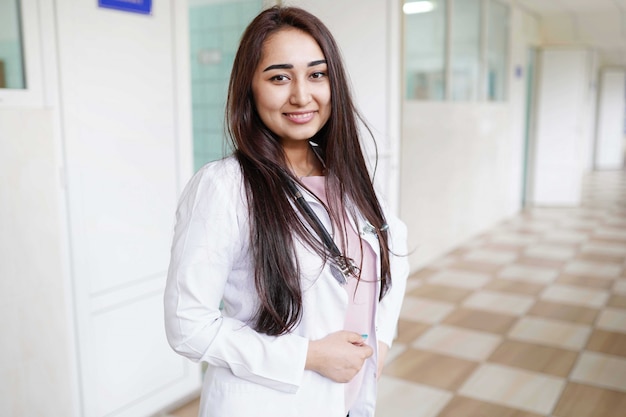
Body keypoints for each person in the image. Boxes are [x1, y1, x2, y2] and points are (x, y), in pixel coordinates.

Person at [164, 6, 409, 417]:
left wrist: (381, 343)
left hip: (347, 402)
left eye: (317, 74)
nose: (301, 95)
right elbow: (187, 326)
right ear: (250, 88)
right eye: (279, 77)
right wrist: (309, 357)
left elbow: (392, 255)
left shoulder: (350, 175)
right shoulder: (225, 187)